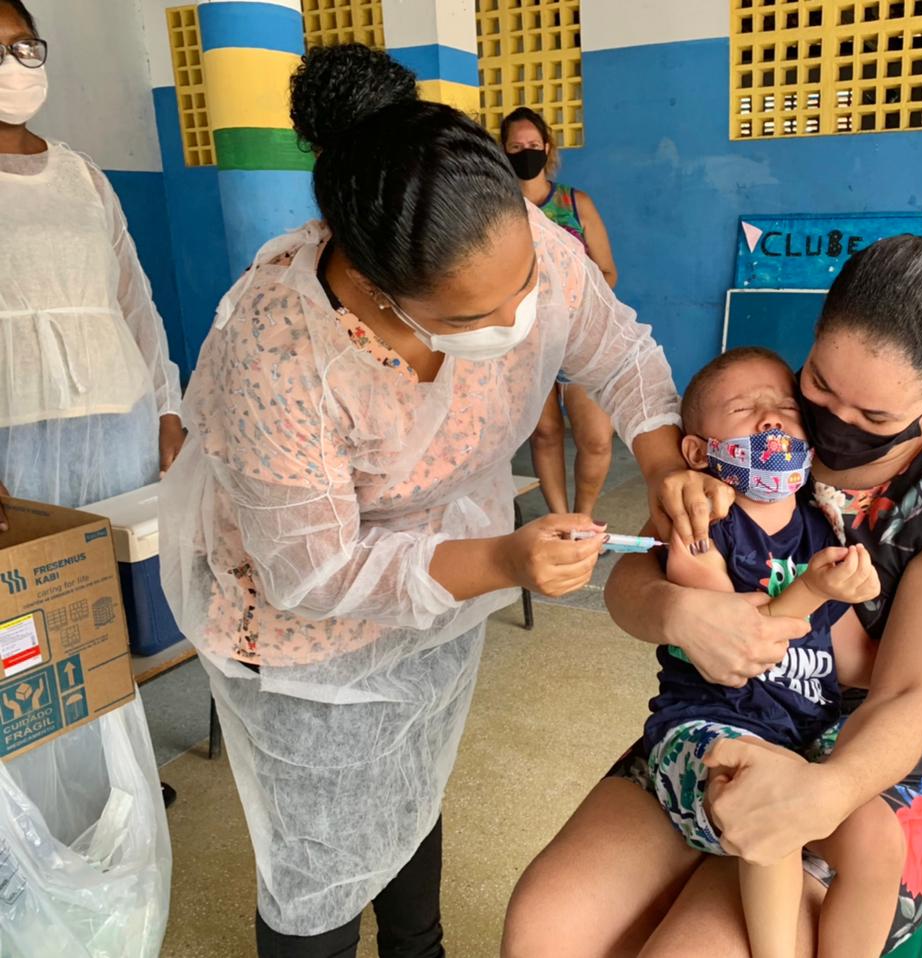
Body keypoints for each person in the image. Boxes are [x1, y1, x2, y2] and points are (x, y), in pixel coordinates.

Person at [159, 45, 720, 957]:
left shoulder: (520, 241)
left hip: (438, 587)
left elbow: (616, 349)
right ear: (379, 289)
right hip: (305, 635)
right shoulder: (279, 352)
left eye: (524, 292)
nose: (515, 323)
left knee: (409, 789)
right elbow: (313, 571)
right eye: (472, 319)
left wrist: (663, 466)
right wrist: (503, 558)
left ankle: (419, 946)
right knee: (319, 866)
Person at [503, 217, 922, 957]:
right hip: (727, 716)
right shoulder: (752, 426)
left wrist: (823, 793)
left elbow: (909, 692)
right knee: (545, 930)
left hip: (875, 758)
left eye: (874, 415)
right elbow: (635, 578)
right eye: (821, 385)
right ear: (814, 340)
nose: (832, 423)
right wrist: (679, 611)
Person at [644, 346, 922, 958]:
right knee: (771, 799)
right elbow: (742, 650)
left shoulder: (819, 529)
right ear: (697, 451)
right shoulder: (701, 529)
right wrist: (812, 589)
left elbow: (853, 662)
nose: (771, 419)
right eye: (744, 409)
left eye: (784, 408)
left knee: (877, 837)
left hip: (806, 730)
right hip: (717, 726)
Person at [0, 0, 183, 519]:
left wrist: (168, 410)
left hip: (120, 420)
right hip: (13, 435)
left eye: (22, 46)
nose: (14, 64)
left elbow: (134, 302)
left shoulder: (81, 175)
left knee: (133, 563)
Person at [501, 106, 618, 519]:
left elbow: (607, 272)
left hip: (578, 337)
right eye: (516, 147)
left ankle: (583, 517)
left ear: (547, 147)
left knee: (597, 438)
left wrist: (567, 306)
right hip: (523, 341)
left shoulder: (574, 203)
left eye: (533, 144)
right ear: (503, 151)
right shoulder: (497, 208)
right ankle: (561, 518)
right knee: (546, 433)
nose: (526, 153)